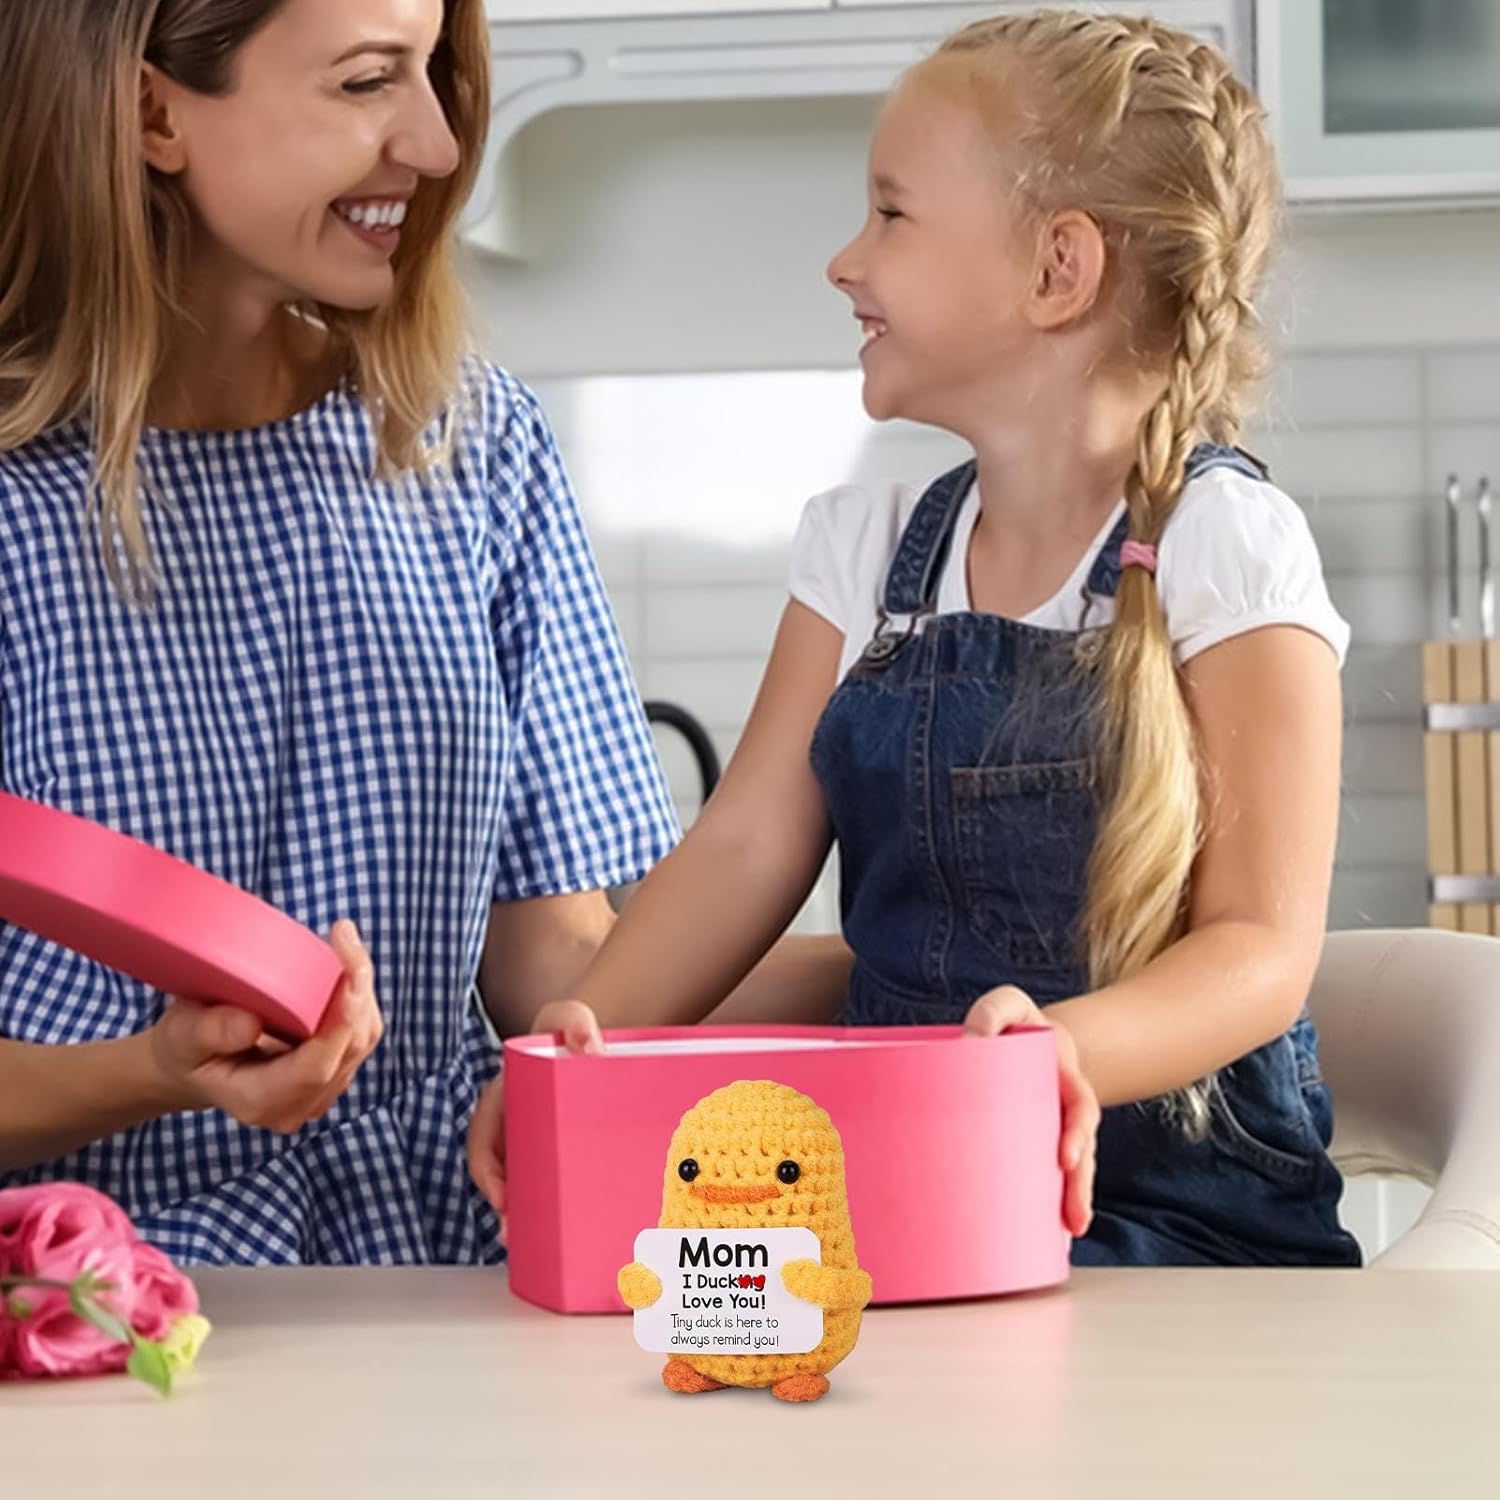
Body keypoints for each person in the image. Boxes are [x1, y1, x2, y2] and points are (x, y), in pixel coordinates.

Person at [478, 10, 1362, 1267]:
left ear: (1058, 270)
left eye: (891, 214)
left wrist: (1057, 1055)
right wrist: (574, 1042)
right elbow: (739, 850)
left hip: (1186, 1226)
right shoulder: (863, 554)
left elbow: (1260, 951)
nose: (845, 261)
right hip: (913, 1197)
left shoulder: (1225, 546)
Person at [0, 0, 842, 1266]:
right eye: (365, 81)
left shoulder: (473, 443)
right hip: (107, 1291)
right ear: (152, 113)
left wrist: (935, 959)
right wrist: (156, 1070)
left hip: (453, 1265)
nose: (441, 144)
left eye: (434, 70)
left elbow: (559, 973)